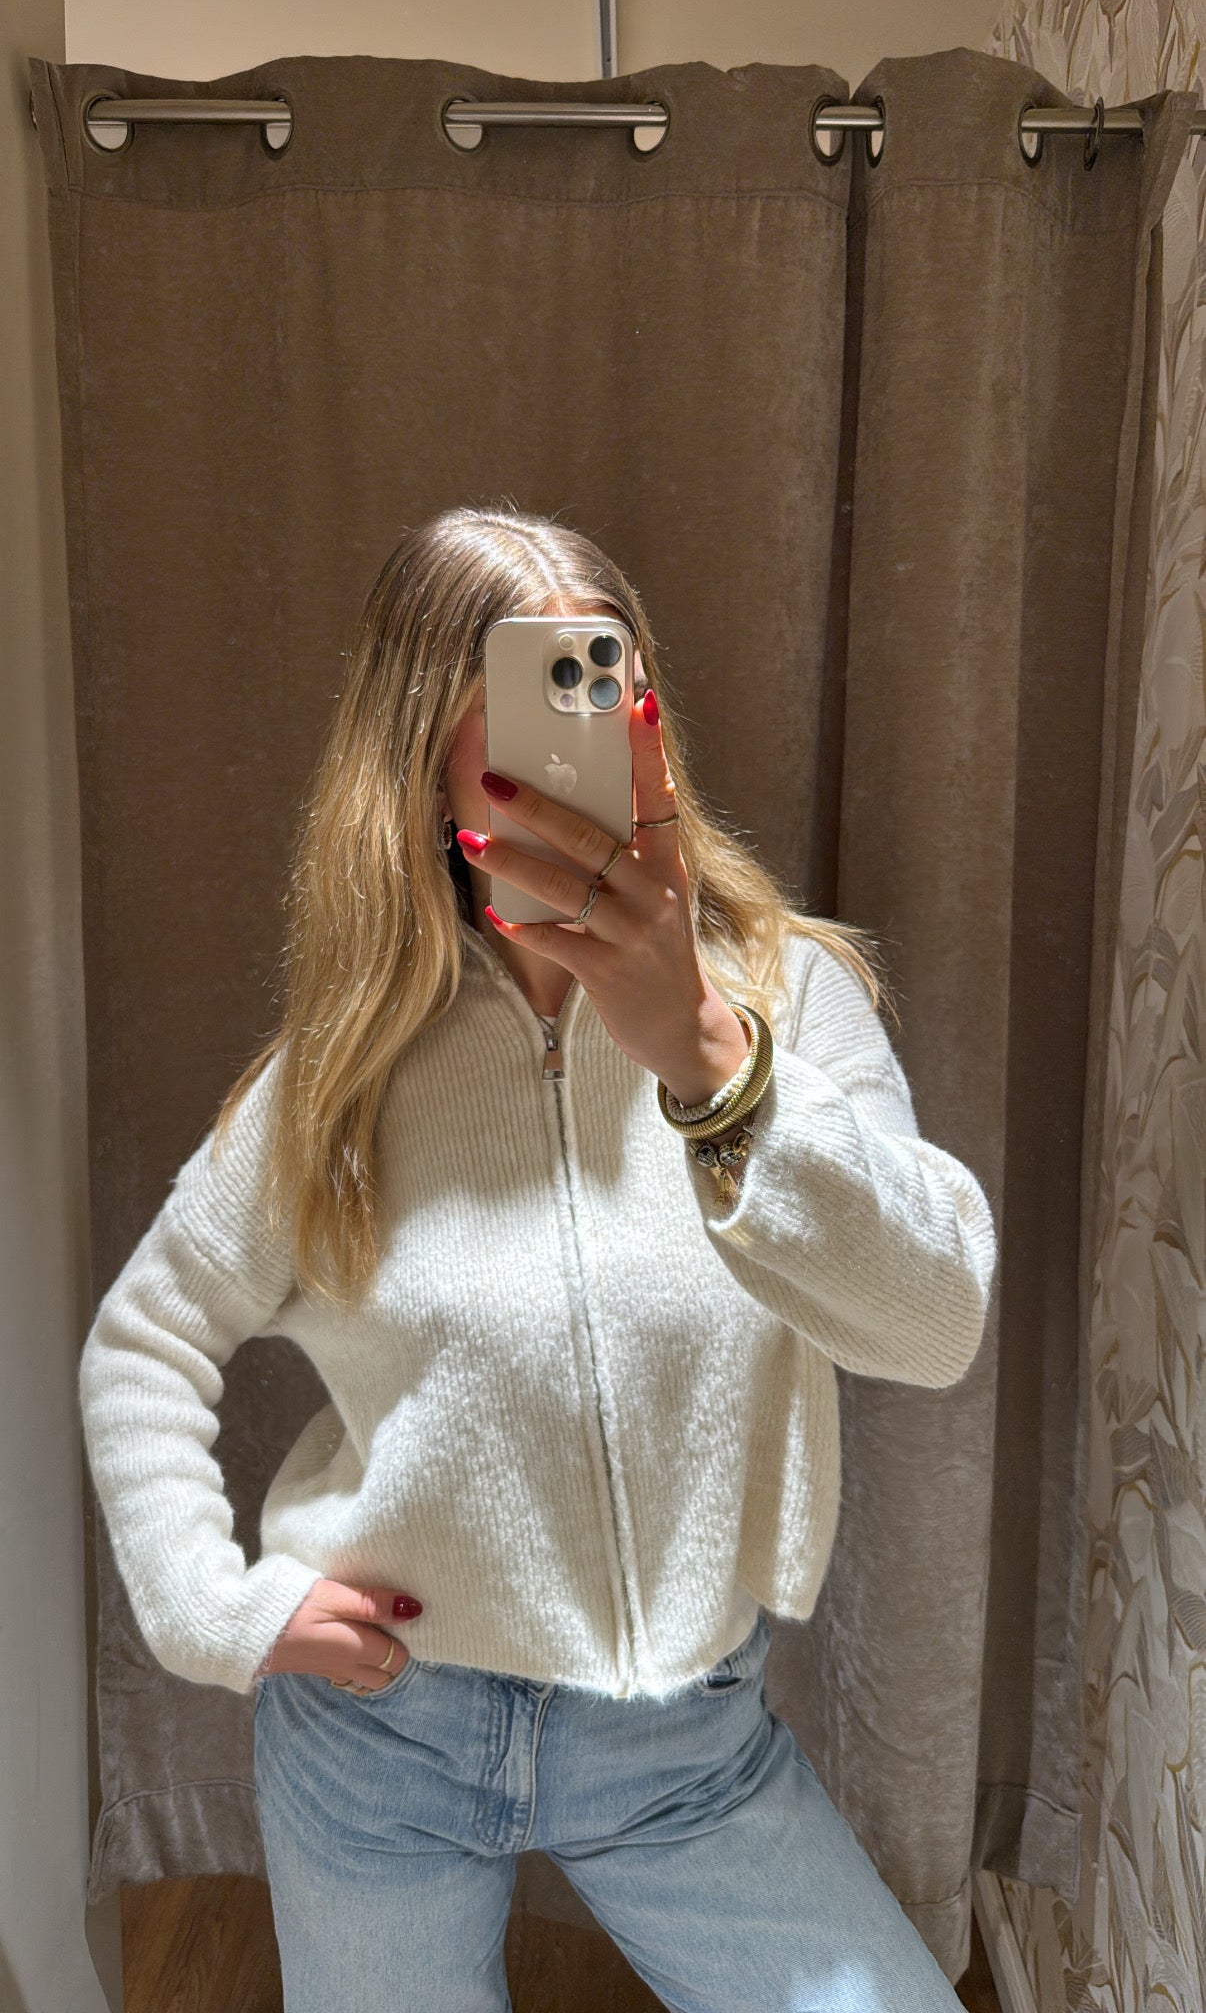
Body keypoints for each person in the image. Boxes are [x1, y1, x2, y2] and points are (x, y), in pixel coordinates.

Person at [79, 505, 998, 2012]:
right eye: (521, 702)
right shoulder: (341, 1074)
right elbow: (145, 1340)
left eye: (604, 684)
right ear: (418, 758)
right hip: (382, 1736)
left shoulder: (781, 1001)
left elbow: (935, 1320)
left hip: (681, 1750)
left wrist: (709, 1062)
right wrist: (210, 1610)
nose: (575, 740)